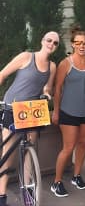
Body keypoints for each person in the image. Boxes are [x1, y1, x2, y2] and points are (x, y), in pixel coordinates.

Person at [0, 31, 59, 206]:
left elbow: (47, 88)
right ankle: (2, 195)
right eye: (49, 40)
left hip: (31, 112)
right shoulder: (26, 57)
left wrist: (47, 94)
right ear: (42, 41)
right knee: (8, 155)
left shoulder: (52, 66)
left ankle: (28, 192)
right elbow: (2, 74)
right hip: (12, 108)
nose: (51, 44)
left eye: (55, 43)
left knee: (29, 150)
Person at [51, 27, 85, 198]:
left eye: (84, 43)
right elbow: (57, 88)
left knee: (83, 144)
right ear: (72, 44)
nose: (82, 46)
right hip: (69, 112)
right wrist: (56, 111)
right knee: (68, 148)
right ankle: (57, 182)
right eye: (78, 43)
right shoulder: (66, 63)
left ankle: (76, 176)